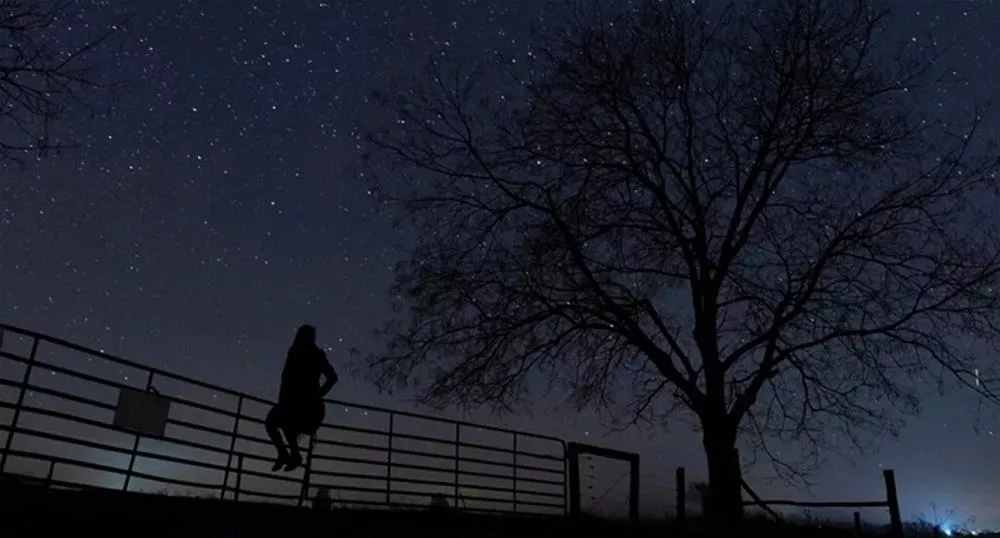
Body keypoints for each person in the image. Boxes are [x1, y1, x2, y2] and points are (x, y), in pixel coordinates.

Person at [265, 324, 338, 472]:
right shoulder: (295, 352)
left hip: (308, 407)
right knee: (272, 422)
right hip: (292, 403)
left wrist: (317, 395)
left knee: (284, 422)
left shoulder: (315, 354)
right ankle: (286, 454)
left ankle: (290, 455)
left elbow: (332, 377)